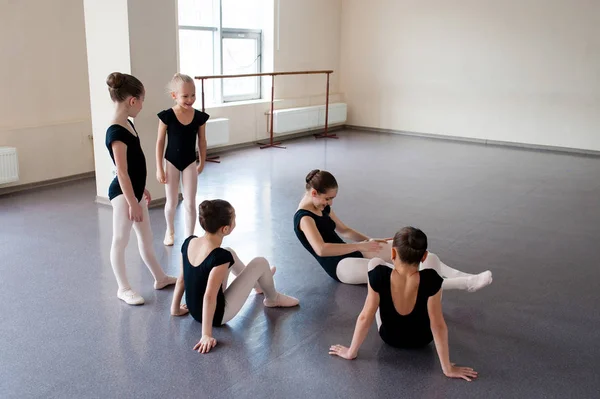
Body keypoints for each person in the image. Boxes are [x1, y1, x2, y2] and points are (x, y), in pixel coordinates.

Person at [294, 169, 493, 290]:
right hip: (339, 267)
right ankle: (465, 285)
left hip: (350, 250)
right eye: (327, 198)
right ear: (314, 193)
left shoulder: (322, 206)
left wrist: (372, 241)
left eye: (332, 199)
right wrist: (362, 246)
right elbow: (322, 249)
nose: (329, 203)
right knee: (402, 274)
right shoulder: (305, 218)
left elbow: (345, 230)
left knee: (410, 252)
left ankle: (466, 277)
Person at [329, 227, 478, 382]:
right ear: (423, 257)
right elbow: (438, 324)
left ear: (393, 253)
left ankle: (397, 272)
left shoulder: (379, 274)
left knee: (375, 263)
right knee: (433, 271)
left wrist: (351, 352)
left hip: (390, 337)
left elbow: (366, 316)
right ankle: (454, 279)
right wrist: (447, 368)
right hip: (422, 339)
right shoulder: (431, 279)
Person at [171, 199, 299, 354]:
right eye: (234, 219)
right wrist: (206, 334)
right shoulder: (219, 257)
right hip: (217, 315)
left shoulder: (189, 242)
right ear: (225, 229)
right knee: (260, 262)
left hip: (194, 309)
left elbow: (182, 279)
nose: (235, 221)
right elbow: (209, 296)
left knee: (229, 251)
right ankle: (272, 298)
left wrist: (175, 309)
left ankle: (257, 284)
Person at [104, 72, 176, 305]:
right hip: (122, 195)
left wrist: (141, 188)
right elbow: (122, 171)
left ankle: (160, 278)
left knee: (145, 238)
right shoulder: (116, 131)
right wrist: (132, 202)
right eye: (142, 100)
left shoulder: (127, 124)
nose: (143, 105)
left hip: (134, 192)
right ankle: (123, 288)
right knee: (121, 239)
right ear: (132, 101)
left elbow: (134, 165)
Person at [156, 73, 209, 246]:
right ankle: (169, 230)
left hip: (189, 162)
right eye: (185, 96)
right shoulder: (167, 116)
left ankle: (189, 237)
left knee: (190, 202)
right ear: (174, 96)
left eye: (193, 95)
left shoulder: (199, 117)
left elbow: (202, 141)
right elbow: (160, 141)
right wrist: (159, 167)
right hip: (171, 161)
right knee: (171, 202)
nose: (190, 99)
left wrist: (202, 161)